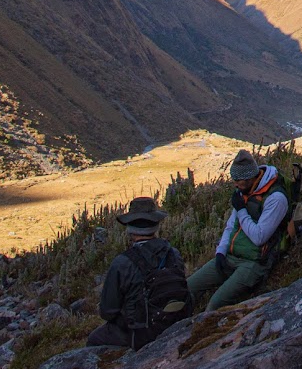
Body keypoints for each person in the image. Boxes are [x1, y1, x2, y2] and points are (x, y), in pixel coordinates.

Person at [187, 150, 290, 311]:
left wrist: (241, 210)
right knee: (187, 288)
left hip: (253, 263)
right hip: (230, 256)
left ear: (250, 177)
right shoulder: (244, 191)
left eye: (238, 181)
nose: (235, 184)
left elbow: (259, 237)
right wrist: (220, 252)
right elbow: (230, 225)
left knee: (214, 305)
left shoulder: (276, 199)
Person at [86, 197, 191, 351]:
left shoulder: (122, 262)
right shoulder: (173, 254)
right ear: (156, 225)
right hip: (176, 321)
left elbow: (108, 312)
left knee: (94, 340)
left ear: (130, 228)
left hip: (142, 333)